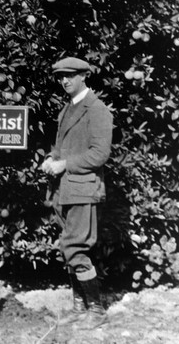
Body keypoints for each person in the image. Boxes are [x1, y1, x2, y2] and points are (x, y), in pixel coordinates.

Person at [41, 57, 113, 330]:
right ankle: (80, 306)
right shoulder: (68, 109)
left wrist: (65, 164)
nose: (65, 81)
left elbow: (99, 154)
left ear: (85, 76)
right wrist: (51, 158)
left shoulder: (97, 110)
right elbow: (62, 147)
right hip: (64, 190)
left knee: (75, 247)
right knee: (68, 247)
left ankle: (97, 309)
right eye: (61, 76)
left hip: (83, 190)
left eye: (71, 75)